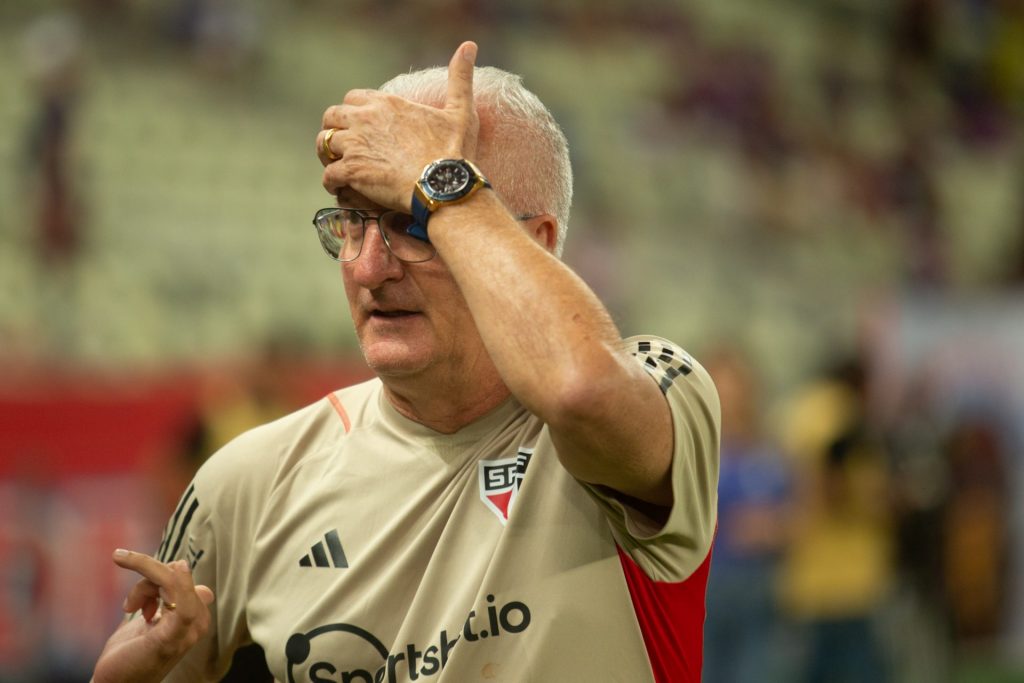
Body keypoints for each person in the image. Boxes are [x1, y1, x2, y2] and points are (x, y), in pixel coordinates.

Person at [91, 41, 720, 683]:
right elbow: (135, 663)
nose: (368, 269)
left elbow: (579, 390)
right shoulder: (251, 479)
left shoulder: (660, 389)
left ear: (537, 245)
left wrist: (442, 182)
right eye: (354, 224)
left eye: (415, 224)